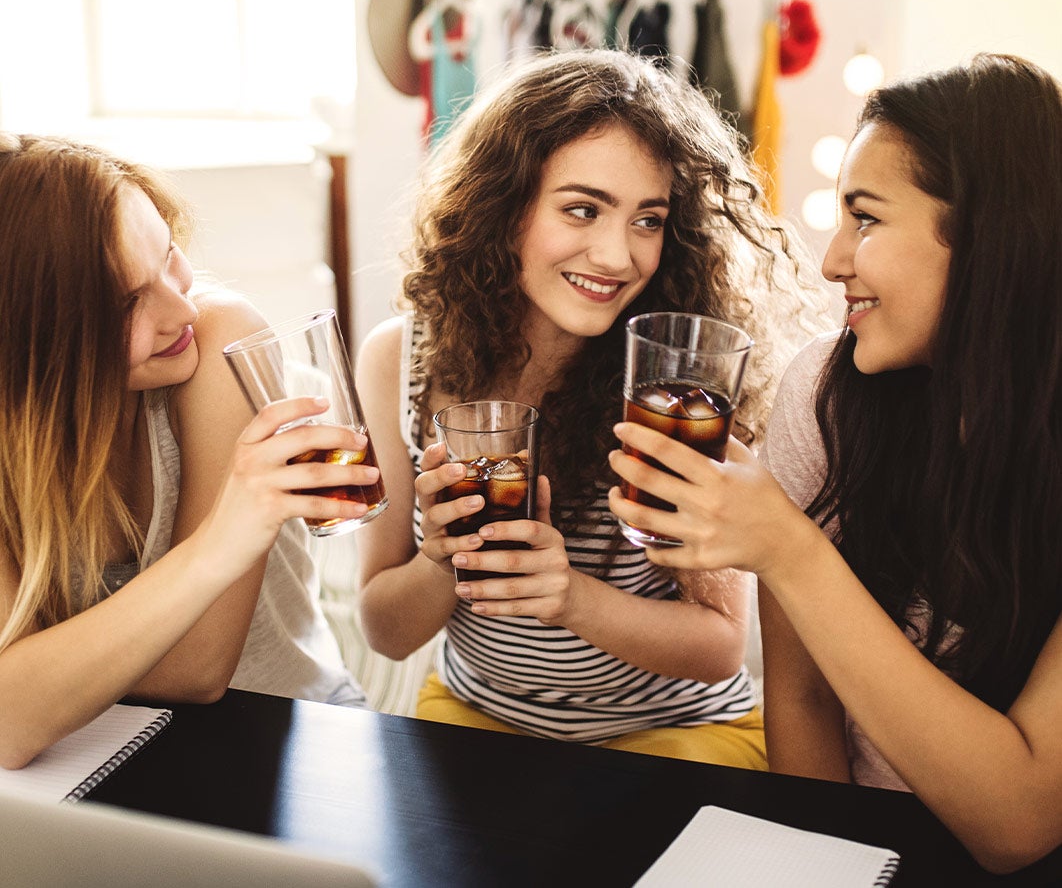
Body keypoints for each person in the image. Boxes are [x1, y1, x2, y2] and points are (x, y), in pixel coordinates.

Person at [608, 53, 1062, 872]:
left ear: (992, 235)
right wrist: (837, 863)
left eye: (866, 219)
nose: (831, 260)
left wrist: (786, 548)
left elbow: (1020, 823)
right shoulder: (826, 391)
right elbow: (802, 700)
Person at [355, 48, 828, 766]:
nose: (616, 255)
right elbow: (385, 630)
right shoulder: (401, 362)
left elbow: (721, 644)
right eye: (583, 209)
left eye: (648, 220)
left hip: (674, 734)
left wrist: (569, 596)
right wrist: (439, 560)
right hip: (475, 716)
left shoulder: (680, 385)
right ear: (503, 204)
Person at [0, 134, 375, 770]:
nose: (180, 310)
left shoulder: (221, 339)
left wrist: (51, 675)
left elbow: (198, 672)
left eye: (169, 255)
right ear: (37, 343)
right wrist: (224, 535)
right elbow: (10, 724)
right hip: (87, 771)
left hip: (296, 750)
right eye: (126, 302)